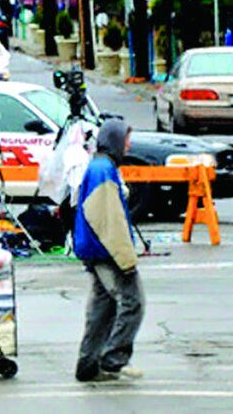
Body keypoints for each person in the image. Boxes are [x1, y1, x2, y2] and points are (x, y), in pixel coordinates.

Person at [73, 119, 145, 382]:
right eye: (126, 139)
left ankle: (88, 364)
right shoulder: (104, 170)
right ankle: (114, 359)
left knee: (102, 308)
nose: (129, 144)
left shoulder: (99, 166)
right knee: (132, 302)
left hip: (93, 249)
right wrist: (126, 260)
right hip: (105, 251)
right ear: (115, 140)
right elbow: (109, 221)